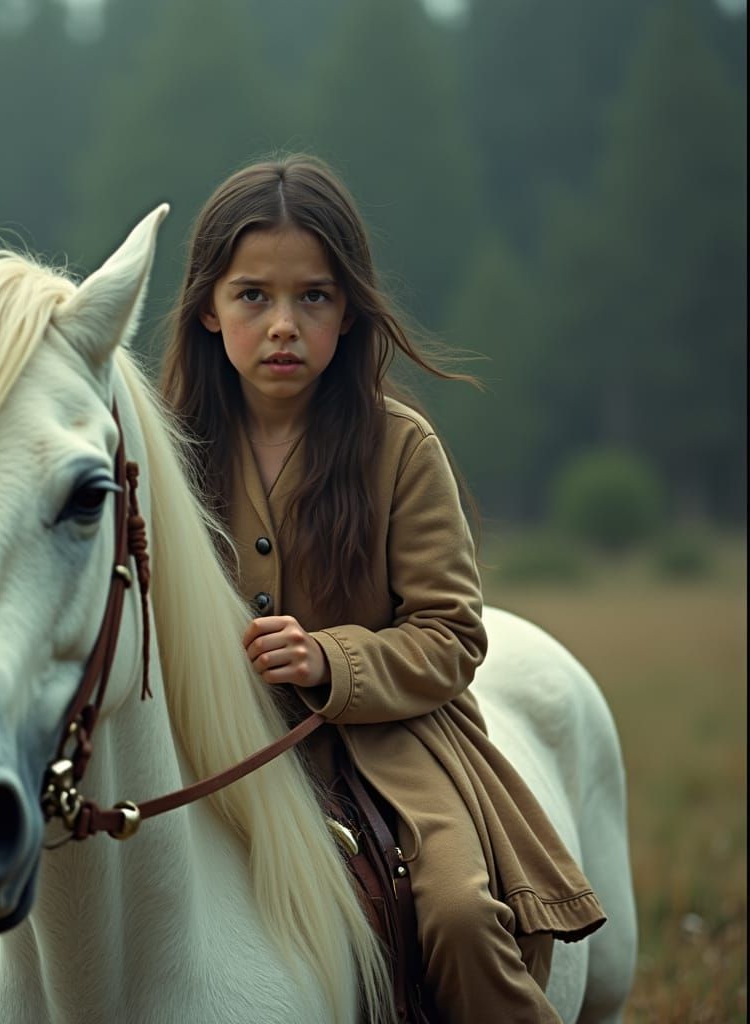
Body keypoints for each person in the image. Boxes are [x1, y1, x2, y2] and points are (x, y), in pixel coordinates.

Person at [158, 154, 606, 1024]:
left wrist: (329, 661)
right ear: (208, 308)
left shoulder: (400, 447)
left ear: (349, 310)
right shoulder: (162, 450)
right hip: (202, 736)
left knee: (461, 914)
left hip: (390, 746)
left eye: (313, 297)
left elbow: (452, 636)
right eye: (252, 296)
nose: (282, 324)